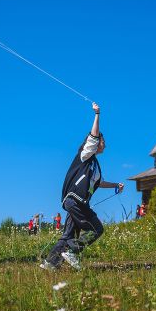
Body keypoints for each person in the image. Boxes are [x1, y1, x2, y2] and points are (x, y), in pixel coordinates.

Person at [40, 102, 124, 270]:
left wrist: (116, 185)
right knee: (96, 228)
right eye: (103, 141)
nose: (105, 145)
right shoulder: (85, 155)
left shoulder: (94, 165)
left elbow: (98, 183)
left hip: (75, 203)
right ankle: (72, 251)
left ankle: (51, 263)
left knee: (68, 234)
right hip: (75, 200)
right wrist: (97, 114)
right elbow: (93, 137)